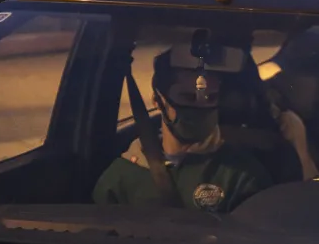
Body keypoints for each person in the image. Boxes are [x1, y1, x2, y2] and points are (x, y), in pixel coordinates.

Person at [94, 48, 273, 212]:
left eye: (210, 98)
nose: (200, 107)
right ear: (157, 101)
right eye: (187, 97)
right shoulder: (121, 177)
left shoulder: (242, 175)